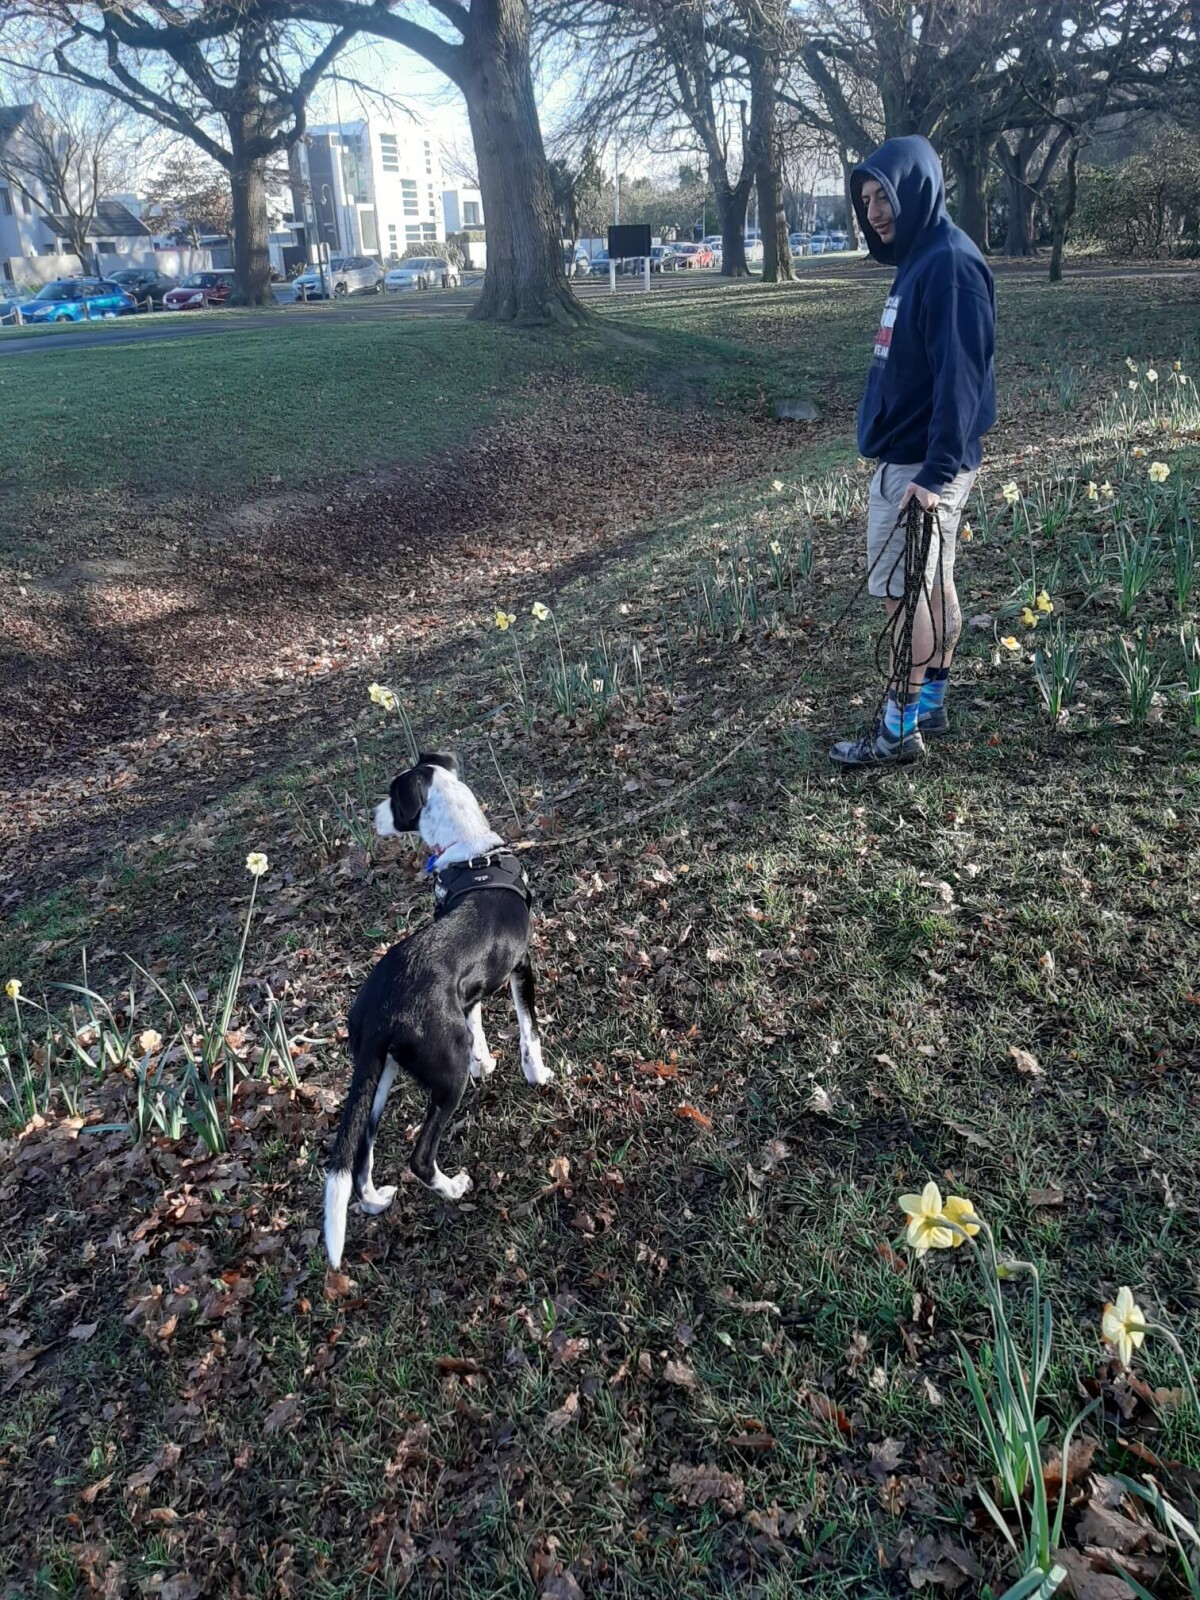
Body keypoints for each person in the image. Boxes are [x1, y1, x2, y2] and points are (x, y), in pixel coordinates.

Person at [829, 136, 996, 767]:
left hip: (919, 467)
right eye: (867, 199)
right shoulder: (922, 258)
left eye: (884, 197)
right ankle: (929, 704)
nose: (873, 212)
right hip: (918, 459)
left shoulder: (949, 264)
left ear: (916, 190)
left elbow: (962, 377)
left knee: (905, 593)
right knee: (931, 582)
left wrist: (934, 472)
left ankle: (898, 729)